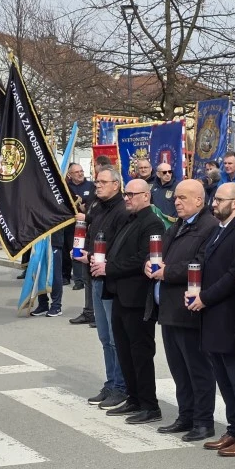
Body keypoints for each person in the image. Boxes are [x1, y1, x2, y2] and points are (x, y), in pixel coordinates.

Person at [189, 183, 235, 457]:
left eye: (220, 199)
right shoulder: (219, 229)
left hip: (231, 314)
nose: (213, 203)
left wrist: (205, 297)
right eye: (215, 198)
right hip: (214, 314)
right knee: (223, 375)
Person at [147, 179, 218, 439]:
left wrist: (168, 272)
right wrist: (150, 264)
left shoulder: (208, 226)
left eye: (183, 198)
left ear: (199, 200)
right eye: (176, 198)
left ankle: (203, 421)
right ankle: (185, 415)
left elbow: (201, 264)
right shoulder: (177, 225)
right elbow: (160, 254)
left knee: (197, 369)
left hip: (189, 308)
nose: (176, 202)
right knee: (178, 368)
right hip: (169, 308)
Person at [93, 179, 165, 423]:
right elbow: (116, 250)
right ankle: (134, 398)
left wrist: (109, 268)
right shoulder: (129, 219)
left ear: (146, 196)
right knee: (124, 351)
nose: (127, 198)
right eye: (126, 194)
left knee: (140, 353)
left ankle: (149, 404)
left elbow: (142, 258)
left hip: (136, 297)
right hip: (119, 294)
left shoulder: (152, 222)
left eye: (132, 194)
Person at [78, 168, 129, 408]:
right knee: (104, 336)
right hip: (94, 276)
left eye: (102, 182)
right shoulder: (97, 207)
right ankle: (111, 382)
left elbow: (118, 247)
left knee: (114, 338)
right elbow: (90, 237)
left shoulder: (121, 211)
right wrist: (83, 253)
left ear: (116, 185)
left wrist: (97, 258)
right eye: (96, 181)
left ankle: (121, 385)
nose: (97, 185)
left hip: (111, 280)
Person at [66, 163, 96, 294]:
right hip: (71, 224)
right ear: (70, 175)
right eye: (77, 172)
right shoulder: (67, 187)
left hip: (86, 224)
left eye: (81, 171)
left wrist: (86, 211)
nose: (80, 173)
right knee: (73, 251)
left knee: (84, 251)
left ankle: (83, 279)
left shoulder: (91, 186)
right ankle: (76, 279)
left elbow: (93, 203)